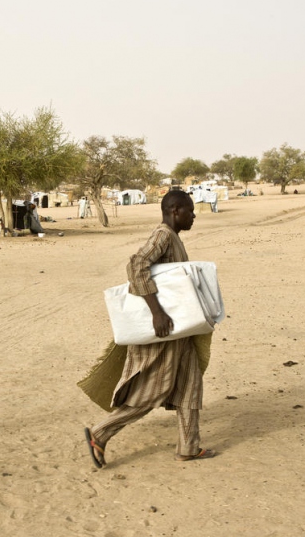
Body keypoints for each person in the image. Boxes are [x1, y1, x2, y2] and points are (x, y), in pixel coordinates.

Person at [84, 190, 216, 468]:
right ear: (175, 210)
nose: (194, 216)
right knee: (152, 391)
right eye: (190, 211)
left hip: (180, 332)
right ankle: (100, 433)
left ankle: (188, 446)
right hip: (165, 331)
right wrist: (157, 312)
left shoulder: (174, 238)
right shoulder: (163, 235)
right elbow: (137, 265)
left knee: (190, 386)